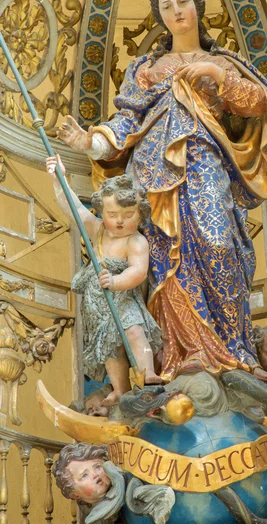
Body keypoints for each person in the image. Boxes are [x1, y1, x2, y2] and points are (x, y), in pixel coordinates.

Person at [56, 0, 267, 382]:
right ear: (160, 17)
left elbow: (257, 104)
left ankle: (235, 351)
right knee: (161, 262)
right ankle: (179, 357)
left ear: (197, 8)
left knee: (218, 245)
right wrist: (91, 143)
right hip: (153, 174)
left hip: (204, 163)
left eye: (183, 2)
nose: (176, 11)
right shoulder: (146, 70)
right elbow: (125, 124)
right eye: (166, 5)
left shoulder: (223, 62)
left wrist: (214, 74)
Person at [46, 156, 162, 404]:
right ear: (101, 211)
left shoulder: (136, 241)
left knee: (134, 331)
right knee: (111, 350)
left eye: (128, 214)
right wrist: (59, 179)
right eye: (113, 214)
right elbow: (74, 208)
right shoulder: (97, 230)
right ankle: (120, 389)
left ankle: (148, 371)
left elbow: (138, 272)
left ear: (140, 216)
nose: (120, 221)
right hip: (98, 307)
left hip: (123, 300)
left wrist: (116, 282)